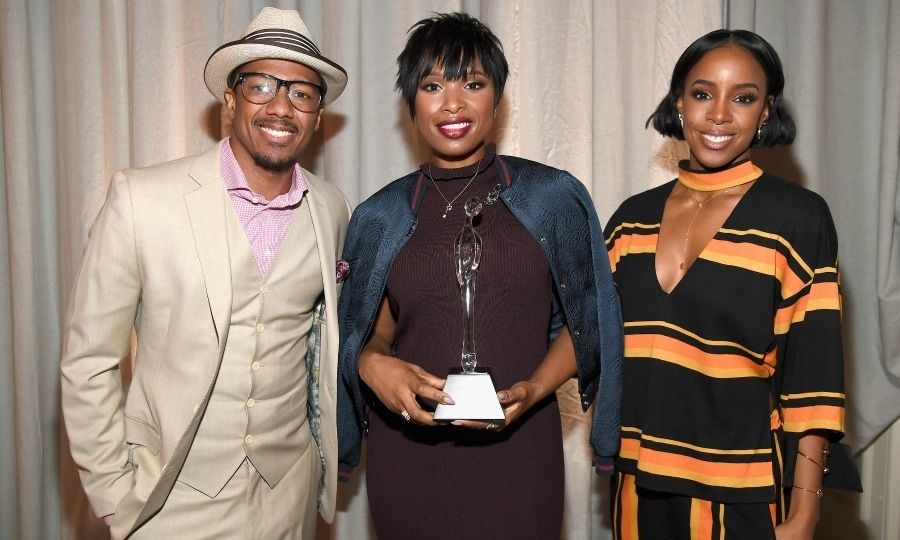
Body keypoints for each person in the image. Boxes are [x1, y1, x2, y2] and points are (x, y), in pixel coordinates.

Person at [60, 8, 350, 539]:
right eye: (262, 84)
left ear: (317, 114)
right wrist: (111, 494)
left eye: (303, 94)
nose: (282, 106)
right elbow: (89, 361)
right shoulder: (141, 198)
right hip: (169, 500)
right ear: (231, 98)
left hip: (287, 494)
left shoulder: (331, 208)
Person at [336, 12, 622, 539]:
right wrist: (374, 364)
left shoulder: (553, 197)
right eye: (432, 85)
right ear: (411, 102)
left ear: (497, 97)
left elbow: (588, 326)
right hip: (408, 459)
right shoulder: (380, 215)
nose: (452, 103)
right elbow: (370, 331)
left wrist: (534, 390)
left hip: (521, 455)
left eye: (472, 83)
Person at [605, 29, 857, 539]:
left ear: (765, 112)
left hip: (742, 491)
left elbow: (813, 379)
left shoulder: (797, 218)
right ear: (679, 103)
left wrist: (805, 510)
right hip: (637, 485)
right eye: (702, 94)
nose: (719, 114)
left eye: (743, 98)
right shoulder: (631, 222)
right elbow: (585, 338)